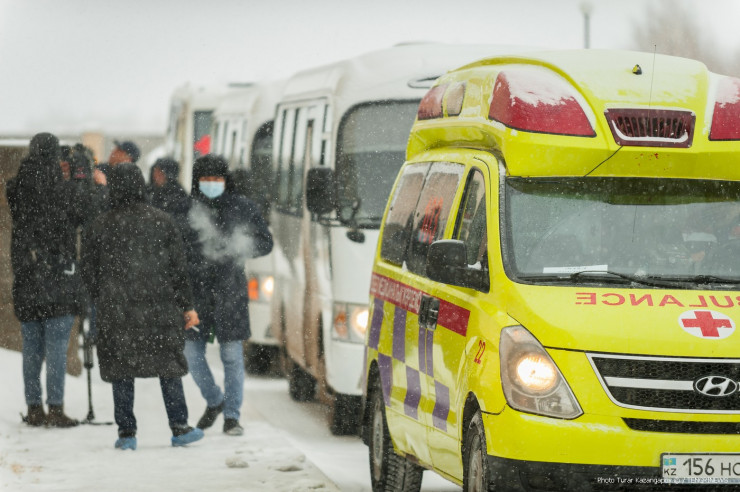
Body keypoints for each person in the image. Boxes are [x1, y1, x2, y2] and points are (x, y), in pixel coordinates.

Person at [81, 163, 204, 450]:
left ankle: (127, 433)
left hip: (116, 310)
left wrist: (103, 295)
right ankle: (179, 426)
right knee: (168, 365)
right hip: (160, 308)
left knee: (121, 368)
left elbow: (88, 270)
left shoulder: (100, 225)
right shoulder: (162, 221)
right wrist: (186, 305)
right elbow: (178, 269)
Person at [184, 154, 273, 436]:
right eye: (206, 179)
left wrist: (238, 249)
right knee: (191, 354)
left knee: (232, 356)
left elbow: (265, 242)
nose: (212, 183)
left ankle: (232, 416)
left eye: (217, 179)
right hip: (196, 295)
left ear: (226, 180)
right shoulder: (188, 209)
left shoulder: (242, 207)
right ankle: (215, 400)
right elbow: (178, 248)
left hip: (230, 292)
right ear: (197, 181)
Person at [6, 132, 90, 427]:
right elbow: (83, 212)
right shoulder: (63, 189)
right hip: (58, 278)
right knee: (56, 347)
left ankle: (33, 408)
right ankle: (55, 408)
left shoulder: (17, 186)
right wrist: (79, 174)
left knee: (31, 348)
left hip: (27, 276)